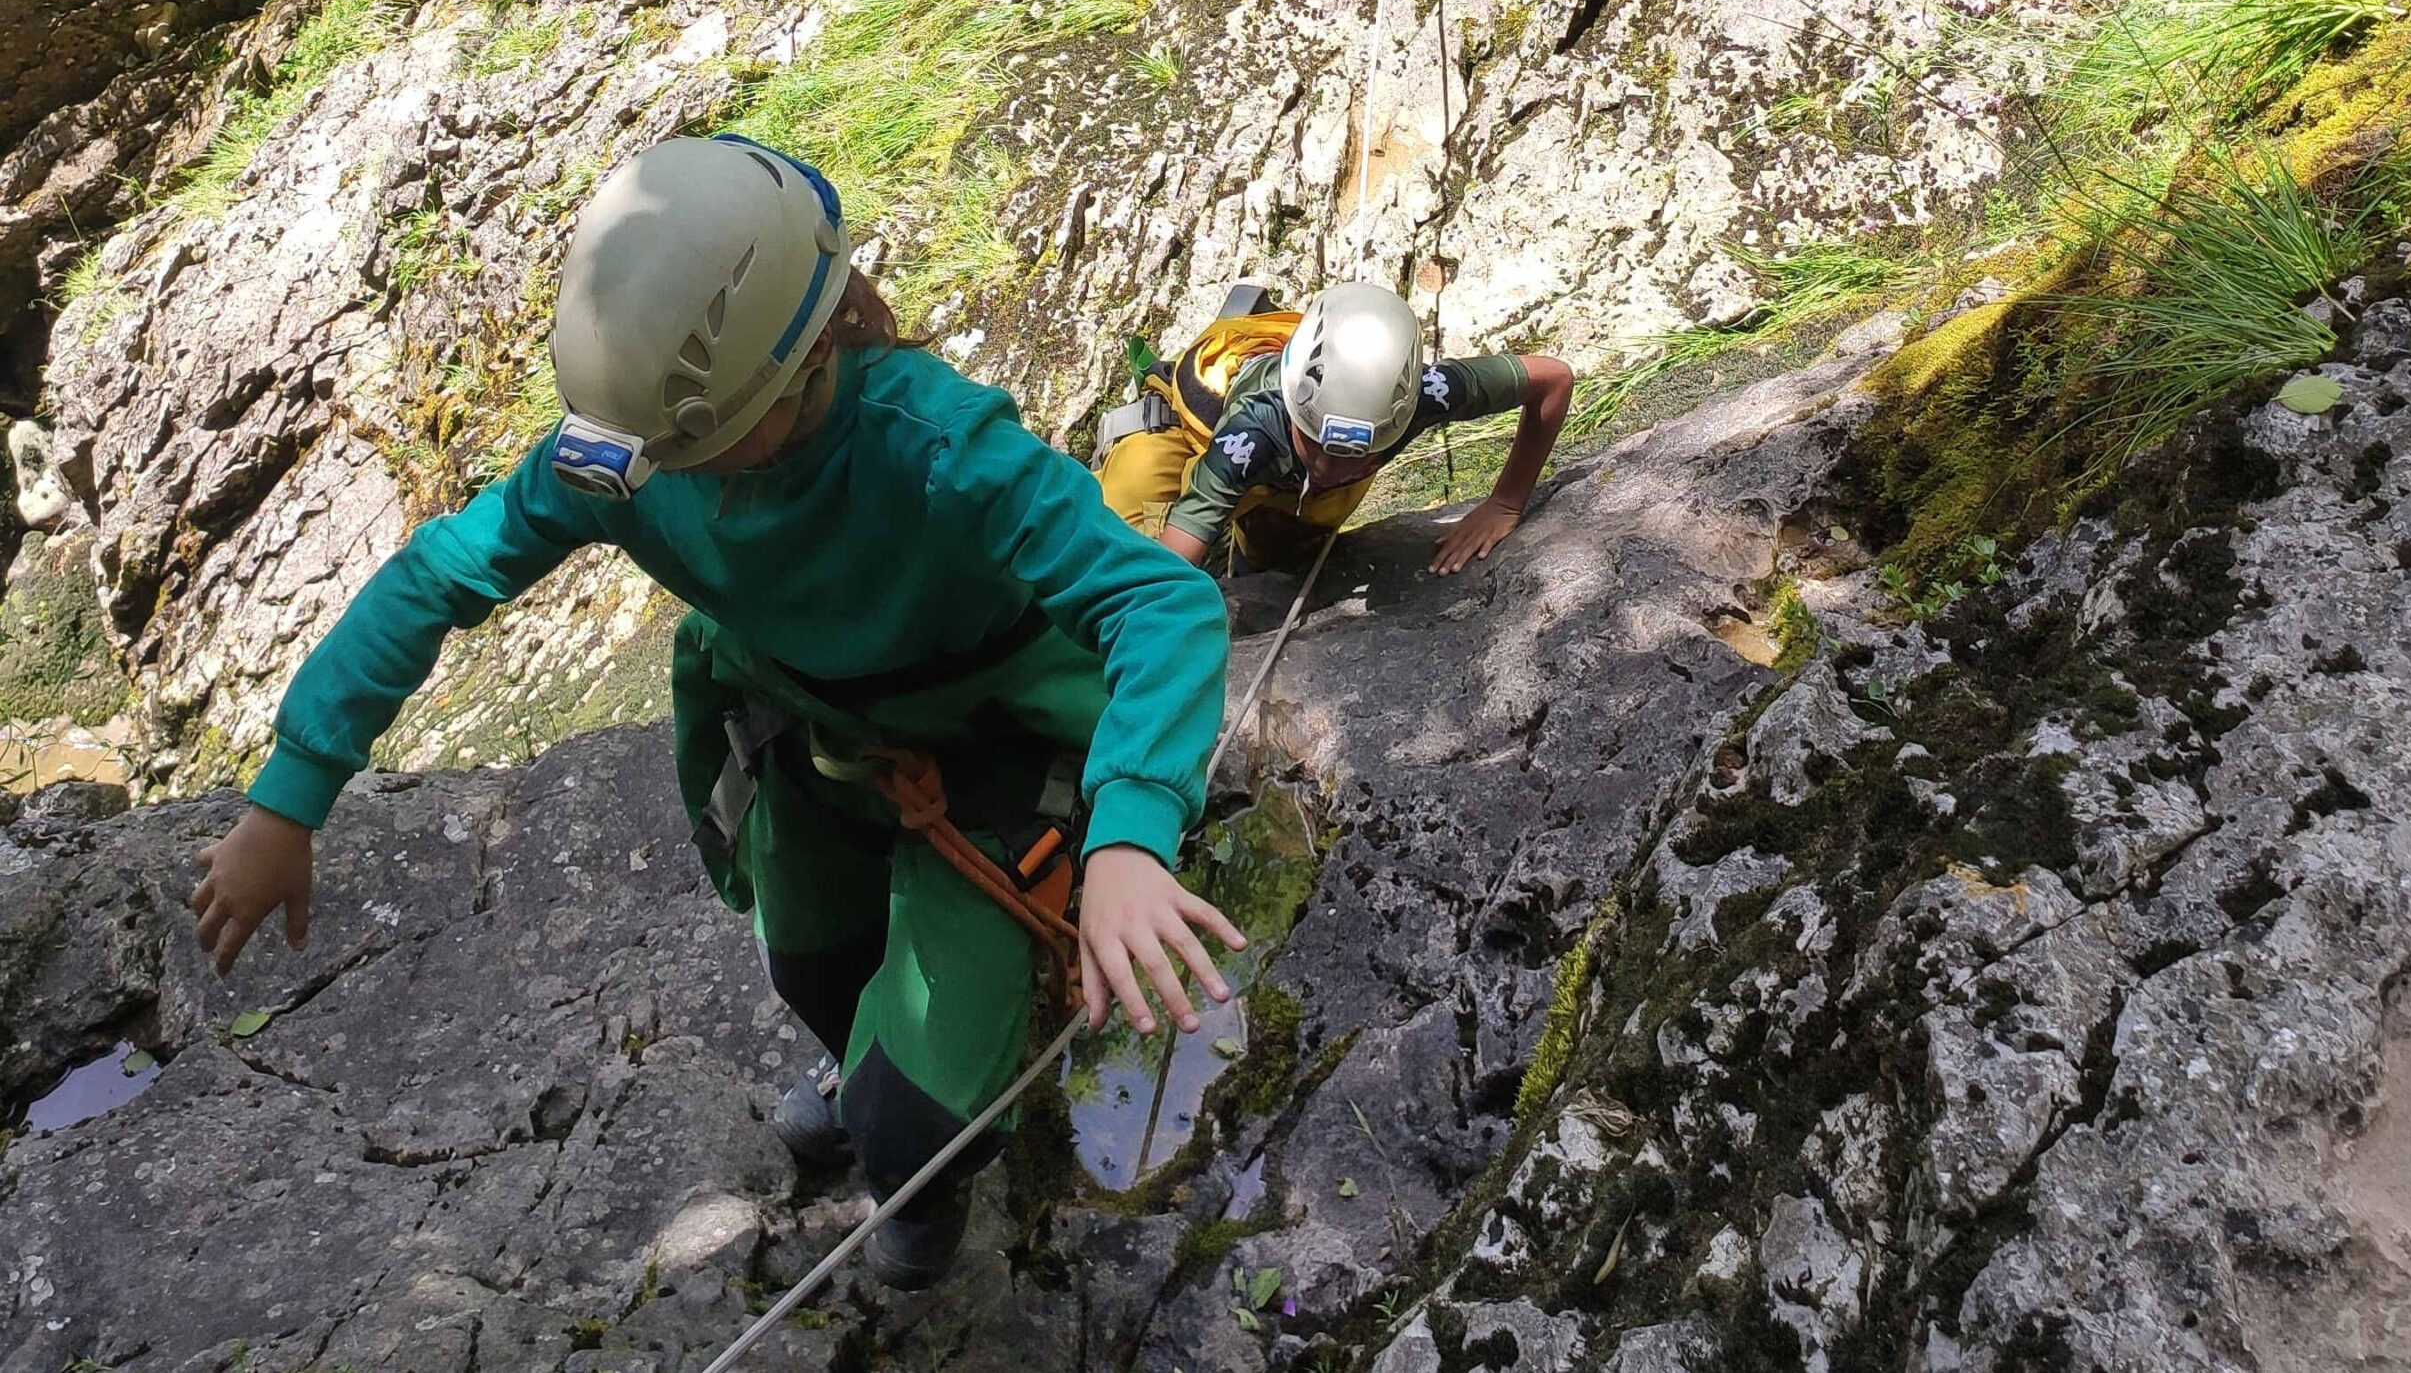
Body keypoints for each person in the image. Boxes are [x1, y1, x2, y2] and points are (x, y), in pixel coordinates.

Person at [185, 134, 1244, 1291]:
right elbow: (438, 577)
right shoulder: (631, 447)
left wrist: (1131, 834)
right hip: (816, 733)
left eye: (675, 450)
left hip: (999, 741)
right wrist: (288, 799)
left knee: (915, 1112)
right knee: (807, 966)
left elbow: (1160, 602)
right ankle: (863, 1066)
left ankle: (919, 1178)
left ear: (796, 376)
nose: (641, 472)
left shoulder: (936, 445)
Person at [1095, 280, 1574, 576]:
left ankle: (1251, 570)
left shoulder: (1421, 396)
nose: (1327, 467)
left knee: (1283, 562)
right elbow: (1169, 568)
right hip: (1192, 440)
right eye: (1319, 445)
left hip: (1287, 476)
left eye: (1354, 455)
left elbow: (1552, 379)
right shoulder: (1250, 433)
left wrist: (1506, 502)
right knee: (1118, 554)